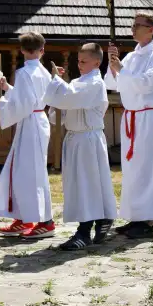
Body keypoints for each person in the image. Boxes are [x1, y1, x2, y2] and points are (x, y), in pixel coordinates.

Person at [104, 11, 153, 239]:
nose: (132, 29)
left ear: (150, 30)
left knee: (148, 168)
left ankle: (149, 219)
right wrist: (113, 63)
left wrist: (121, 69)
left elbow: (148, 84)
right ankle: (135, 215)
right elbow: (113, 83)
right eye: (132, 25)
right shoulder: (133, 56)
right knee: (133, 170)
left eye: (137, 25)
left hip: (149, 118)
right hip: (132, 117)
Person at [42, 43, 117, 250]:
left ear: (96, 62)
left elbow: (69, 97)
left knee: (88, 184)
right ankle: (102, 219)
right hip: (74, 138)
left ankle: (84, 231)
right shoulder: (77, 82)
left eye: (84, 61)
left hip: (88, 139)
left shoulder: (95, 83)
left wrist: (56, 81)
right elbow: (62, 109)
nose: (80, 65)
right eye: (78, 61)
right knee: (78, 184)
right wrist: (59, 87)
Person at [0, 32, 54, 239]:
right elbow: (28, 97)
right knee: (20, 170)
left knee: (31, 172)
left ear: (21, 50)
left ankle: (46, 221)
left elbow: (25, 104)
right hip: (36, 120)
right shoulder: (43, 72)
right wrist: (7, 88)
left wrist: (2, 103)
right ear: (42, 50)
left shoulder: (25, 73)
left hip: (31, 122)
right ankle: (23, 216)